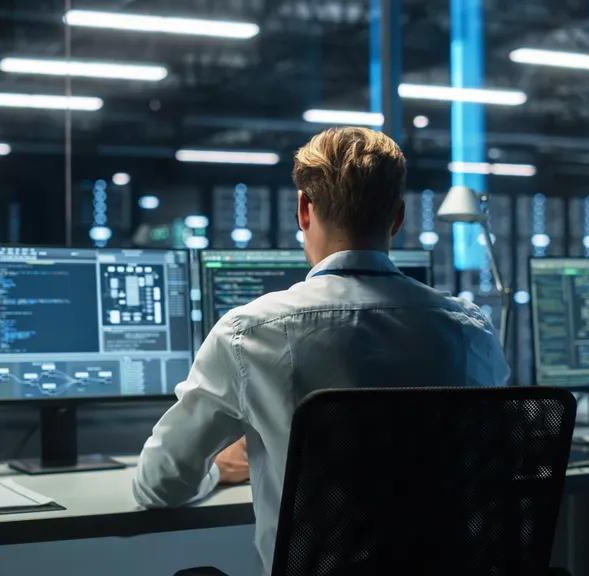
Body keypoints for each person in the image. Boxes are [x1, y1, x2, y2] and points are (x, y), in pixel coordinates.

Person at [133, 127, 509, 573]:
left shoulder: (247, 332)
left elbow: (160, 486)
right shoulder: (470, 329)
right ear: (398, 218)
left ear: (303, 210)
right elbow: (496, 461)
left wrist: (223, 470)